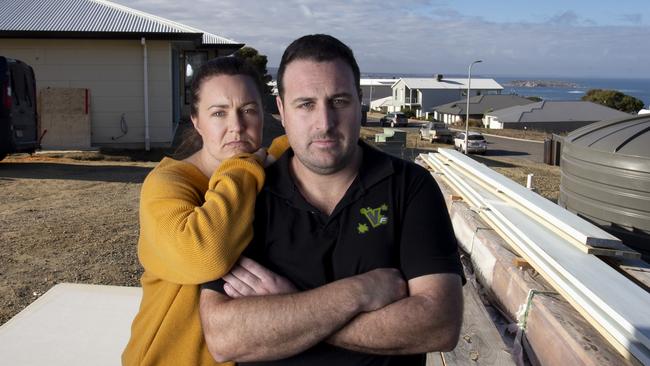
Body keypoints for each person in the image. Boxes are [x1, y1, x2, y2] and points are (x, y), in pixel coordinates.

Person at [200, 34, 464, 365]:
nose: (324, 123)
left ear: (360, 104)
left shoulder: (410, 187)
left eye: (339, 102)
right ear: (281, 110)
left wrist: (290, 308)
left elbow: (439, 324)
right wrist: (358, 293)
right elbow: (225, 338)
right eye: (306, 104)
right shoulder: (246, 196)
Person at [122, 56, 289, 366]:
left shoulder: (272, 165)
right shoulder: (168, 184)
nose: (236, 126)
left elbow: (313, 141)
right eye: (219, 113)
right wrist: (243, 165)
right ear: (197, 121)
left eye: (248, 110)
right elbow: (203, 255)